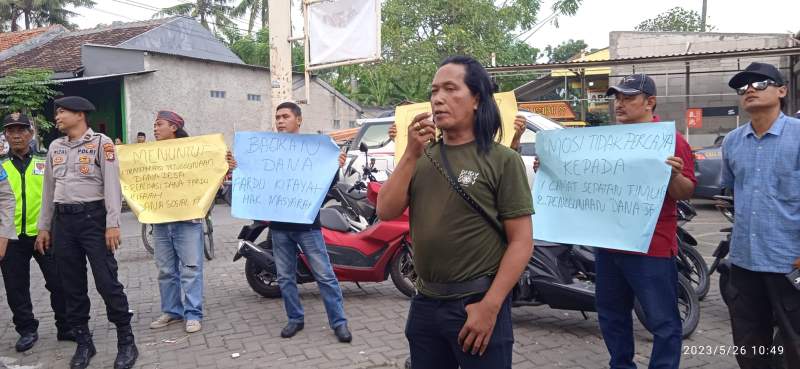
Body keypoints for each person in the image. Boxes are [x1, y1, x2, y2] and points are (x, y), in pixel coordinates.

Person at [377, 56, 534, 369]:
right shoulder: (421, 157)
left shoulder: (503, 161)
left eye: (450, 89)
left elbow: (521, 241)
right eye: (434, 91)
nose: (438, 98)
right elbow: (385, 209)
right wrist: (409, 153)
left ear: (476, 99)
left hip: (476, 302)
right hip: (424, 302)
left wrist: (490, 306)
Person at [227, 101, 352, 342]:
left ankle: (339, 323)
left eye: (285, 116)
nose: (280, 121)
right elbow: (251, 172)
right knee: (285, 277)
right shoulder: (267, 151)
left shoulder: (315, 150)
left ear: (299, 120)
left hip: (307, 227)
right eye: (277, 117)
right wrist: (235, 166)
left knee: (325, 276)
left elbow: (327, 181)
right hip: (279, 228)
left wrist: (335, 166)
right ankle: (295, 319)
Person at [595, 74, 696, 369]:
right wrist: (553, 166)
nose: (620, 104)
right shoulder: (607, 140)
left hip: (650, 247)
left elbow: (685, 191)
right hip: (609, 243)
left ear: (650, 102)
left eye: (628, 98)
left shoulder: (670, 140)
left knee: (663, 320)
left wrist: (674, 175)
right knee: (611, 316)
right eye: (617, 98)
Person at [34, 96, 137, 369]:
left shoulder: (102, 144)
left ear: (79, 114)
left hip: (93, 220)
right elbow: (48, 192)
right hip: (63, 223)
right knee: (72, 285)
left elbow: (112, 186)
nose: (57, 117)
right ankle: (83, 342)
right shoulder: (55, 147)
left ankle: (126, 341)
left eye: (62, 112)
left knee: (106, 281)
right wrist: (44, 227)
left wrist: (113, 223)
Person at [720, 62, 800, 369]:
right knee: (751, 347)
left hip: (789, 263)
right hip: (744, 262)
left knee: (795, 344)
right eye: (743, 87)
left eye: (760, 83)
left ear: (782, 91)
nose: (750, 89)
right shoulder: (732, 142)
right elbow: (734, 191)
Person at [0, 113, 72, 353]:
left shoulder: (45, 160)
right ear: (6, 135)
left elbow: (57, 193)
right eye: (11, 130)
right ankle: (27, 329)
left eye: (22, 130)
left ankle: (66, 326)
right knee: (16, 287)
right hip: (10, 238)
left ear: (31, 133)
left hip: (45, 234)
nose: (17, 134)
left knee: (59, 282)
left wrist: (53, 227)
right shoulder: (0, 164)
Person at [146, 111, 205, 334]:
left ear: (173, 127)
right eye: (154, 125)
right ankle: (171, 311)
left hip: (187, 220)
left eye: (159, 124)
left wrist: (225, 161)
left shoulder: (193, 151)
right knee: (165, 270)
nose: (155, 129)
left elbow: (209, 172)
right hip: (161, 221)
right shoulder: (149, 154)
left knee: (191, 268)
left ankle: (193, 314)